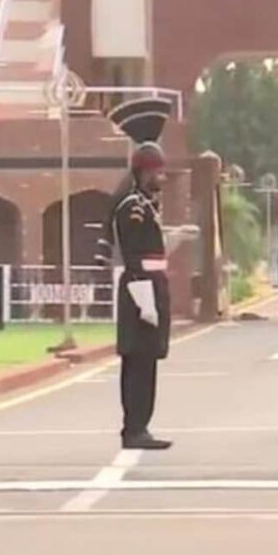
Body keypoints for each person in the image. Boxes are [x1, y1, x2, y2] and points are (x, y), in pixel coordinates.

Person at [101, 97, 196, 451]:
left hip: (152, 285)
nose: (162, 176)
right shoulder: (133, 208)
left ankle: (141, 426)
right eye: (157, 171)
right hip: (141, 289)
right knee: (138, 364)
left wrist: (176, 237)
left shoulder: (147, 207)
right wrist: (145, 301)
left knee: (148, 362)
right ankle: (134, 427)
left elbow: (154, 252)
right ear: (143, 172)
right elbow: (135, 255)